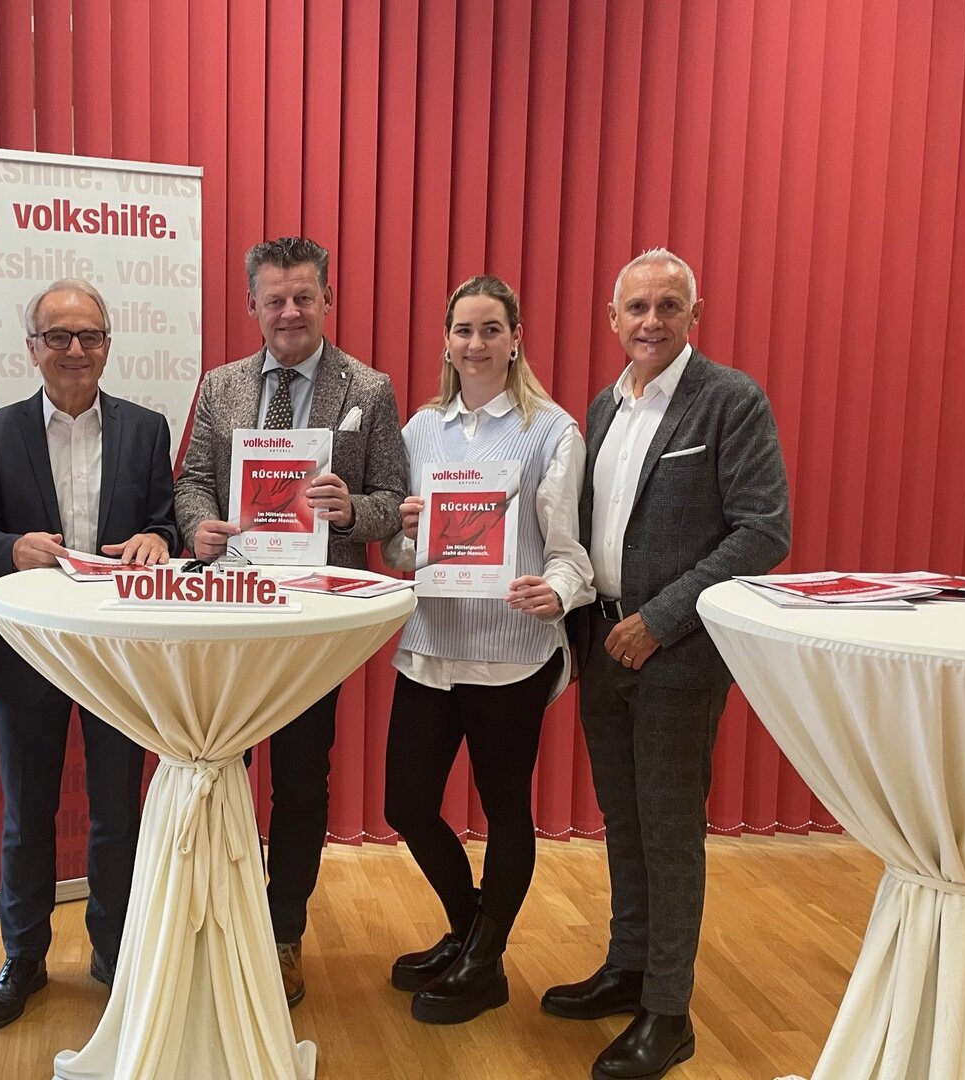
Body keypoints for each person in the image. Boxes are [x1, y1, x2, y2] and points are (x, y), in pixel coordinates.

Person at [542, 249, 790, 1080]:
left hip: (675, 655)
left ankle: (668, 1011)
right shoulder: (602, 408)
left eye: (668, 306)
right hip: (602, 646)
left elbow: (763, 531)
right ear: (611, 319)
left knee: (671, 830)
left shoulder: (730, 401)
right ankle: (629, 965)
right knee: (623, 819)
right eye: (636, 307)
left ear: (696, 313)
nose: (651, 321)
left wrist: (660, 618)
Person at [174, 236, 407, 1006]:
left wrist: (354, 508)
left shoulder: (367, 390)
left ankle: (283, 930)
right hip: (233, 612)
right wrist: (201, 527)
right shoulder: (221, 386)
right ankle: (223, 918)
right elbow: (194, 483)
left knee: (304, 781)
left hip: (314, 620)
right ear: (252, 305)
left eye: (303, 296)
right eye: (274, 298)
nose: (289, 311)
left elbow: (393, 504)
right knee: (225, 768)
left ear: (326, 300)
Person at [0, 278, 178, 1030]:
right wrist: (10, 547)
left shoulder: (148, 430)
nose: (75, 350)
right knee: (27, 815)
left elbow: (167, 522)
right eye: (59, 337)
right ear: (33, 348)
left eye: (89, 336)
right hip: (32, 654)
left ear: (109, 345)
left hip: (119, 655)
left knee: (117, 814)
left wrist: (161, 537)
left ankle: (112, 951)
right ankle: (23, 958)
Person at [381, 275, 595, 1025]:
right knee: (405, 803)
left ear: (515, 338)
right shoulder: (419, 431)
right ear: (446, 340)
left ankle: (485, 961)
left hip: (510, 653)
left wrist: (557, 594)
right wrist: (407, 530)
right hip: (431, 647)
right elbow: (405, 556)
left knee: (505, 811)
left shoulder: (551, 431)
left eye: (490, 329)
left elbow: (572, 554)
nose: (475, 343)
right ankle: (472, 928)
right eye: (463, 330)